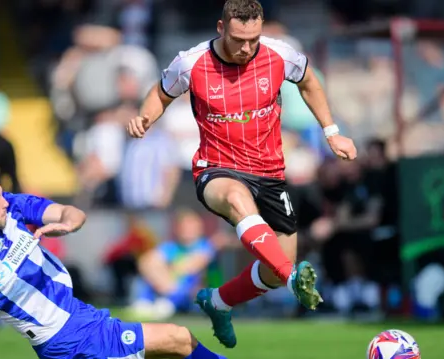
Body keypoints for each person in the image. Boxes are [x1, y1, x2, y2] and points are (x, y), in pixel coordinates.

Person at [126, 0, 357, 349]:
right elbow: (161, 92)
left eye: (254, 39)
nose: (246, 48)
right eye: (238, 39)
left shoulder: (281, 55)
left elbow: (309, 81)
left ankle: (218, 302)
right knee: (237, 201)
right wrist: (145, 117)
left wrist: (331, 130)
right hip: (216, 169)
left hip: (270, 173)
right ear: (221, 28)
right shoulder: (191, 62)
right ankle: (293, 277)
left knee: (274, 272)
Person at [0, 164, 227, 359]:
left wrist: (67, 224)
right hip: (65, 338)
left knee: (172, 348)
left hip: (81, 316)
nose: (4, 201)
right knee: (178, 339)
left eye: (1, 194)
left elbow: (71, 213)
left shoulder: (13, 208)